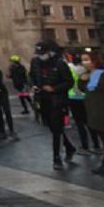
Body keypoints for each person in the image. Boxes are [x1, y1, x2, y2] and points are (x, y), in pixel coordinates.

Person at [30, 40, 76, 170]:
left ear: (50, 52)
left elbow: (69, 82)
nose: (40, 56)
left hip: (57, 99)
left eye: (43, 53)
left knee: (56, 128)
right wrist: (33, 85)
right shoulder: (35, 62)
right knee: (53, 127)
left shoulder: (60, 64)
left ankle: (56, 158)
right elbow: (32, 75)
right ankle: (69, 147)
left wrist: (54, 88)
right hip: (42, 98)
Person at [66, 55, 100, 155]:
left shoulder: (69, 69)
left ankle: (85, 147)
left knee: (80, 124)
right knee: (89, 123)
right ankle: (97, 146)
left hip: (73, 98)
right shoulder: (87, 70)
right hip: (86, 98)